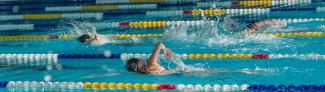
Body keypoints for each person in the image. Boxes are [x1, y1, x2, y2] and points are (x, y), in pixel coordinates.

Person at [125, 42, 257, 75]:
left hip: (182, 74)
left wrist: (165, 50)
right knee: (215, 72)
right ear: (139, 62)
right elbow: (159, 43)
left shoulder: (147, 71)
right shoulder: (149, 64)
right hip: (183, 73)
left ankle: (242, 71)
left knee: (215, 73)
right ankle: (243, 71)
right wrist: (165, 50)